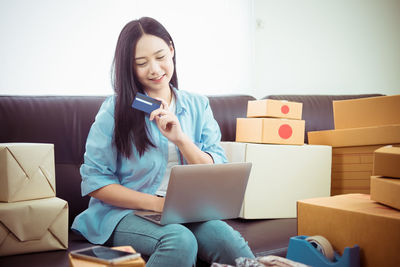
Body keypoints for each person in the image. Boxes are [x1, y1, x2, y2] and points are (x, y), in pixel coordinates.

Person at [71, 17, 255, 266]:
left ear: (171, 49)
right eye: (142, 63)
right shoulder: (114, 110)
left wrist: (181, 140)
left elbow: (217, 169)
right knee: (179, 239)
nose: (155, 69)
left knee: (225, 239)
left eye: (160, 56)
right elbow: (95, 181)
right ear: (130, 67)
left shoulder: (198, 105)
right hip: (124, 214)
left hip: (186, 210)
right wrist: (158, 204)